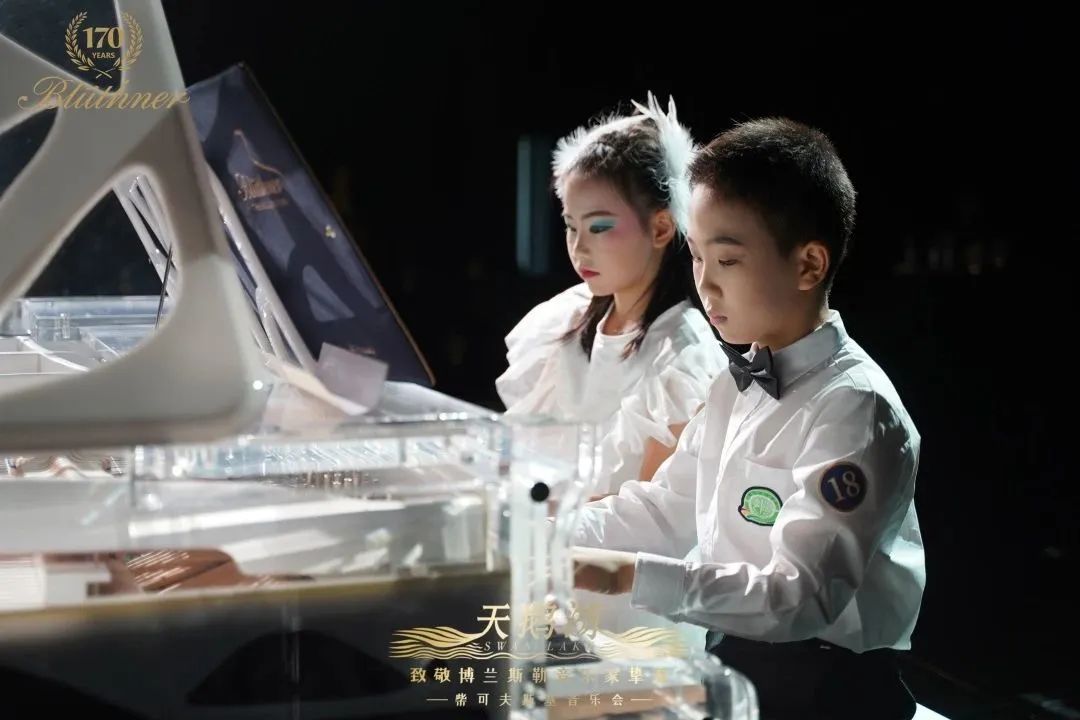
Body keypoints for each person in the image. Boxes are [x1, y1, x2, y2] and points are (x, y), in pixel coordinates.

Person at [572, 117, 924, 720]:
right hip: (741, 660)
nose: (704, 284)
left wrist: (623, 575)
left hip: (830, 688)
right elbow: (667, 508)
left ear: (809, 265)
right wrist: (544, 532)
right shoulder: (733, 385)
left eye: (728, 260)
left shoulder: (855, 408)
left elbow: (800, 598)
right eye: (696, 256)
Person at [496, 94, 724, 496]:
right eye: (571, 226)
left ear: (661, 228)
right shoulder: (566, 319)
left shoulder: (683, 354)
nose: (578, 246)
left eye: (599, 227)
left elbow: (649, 509)